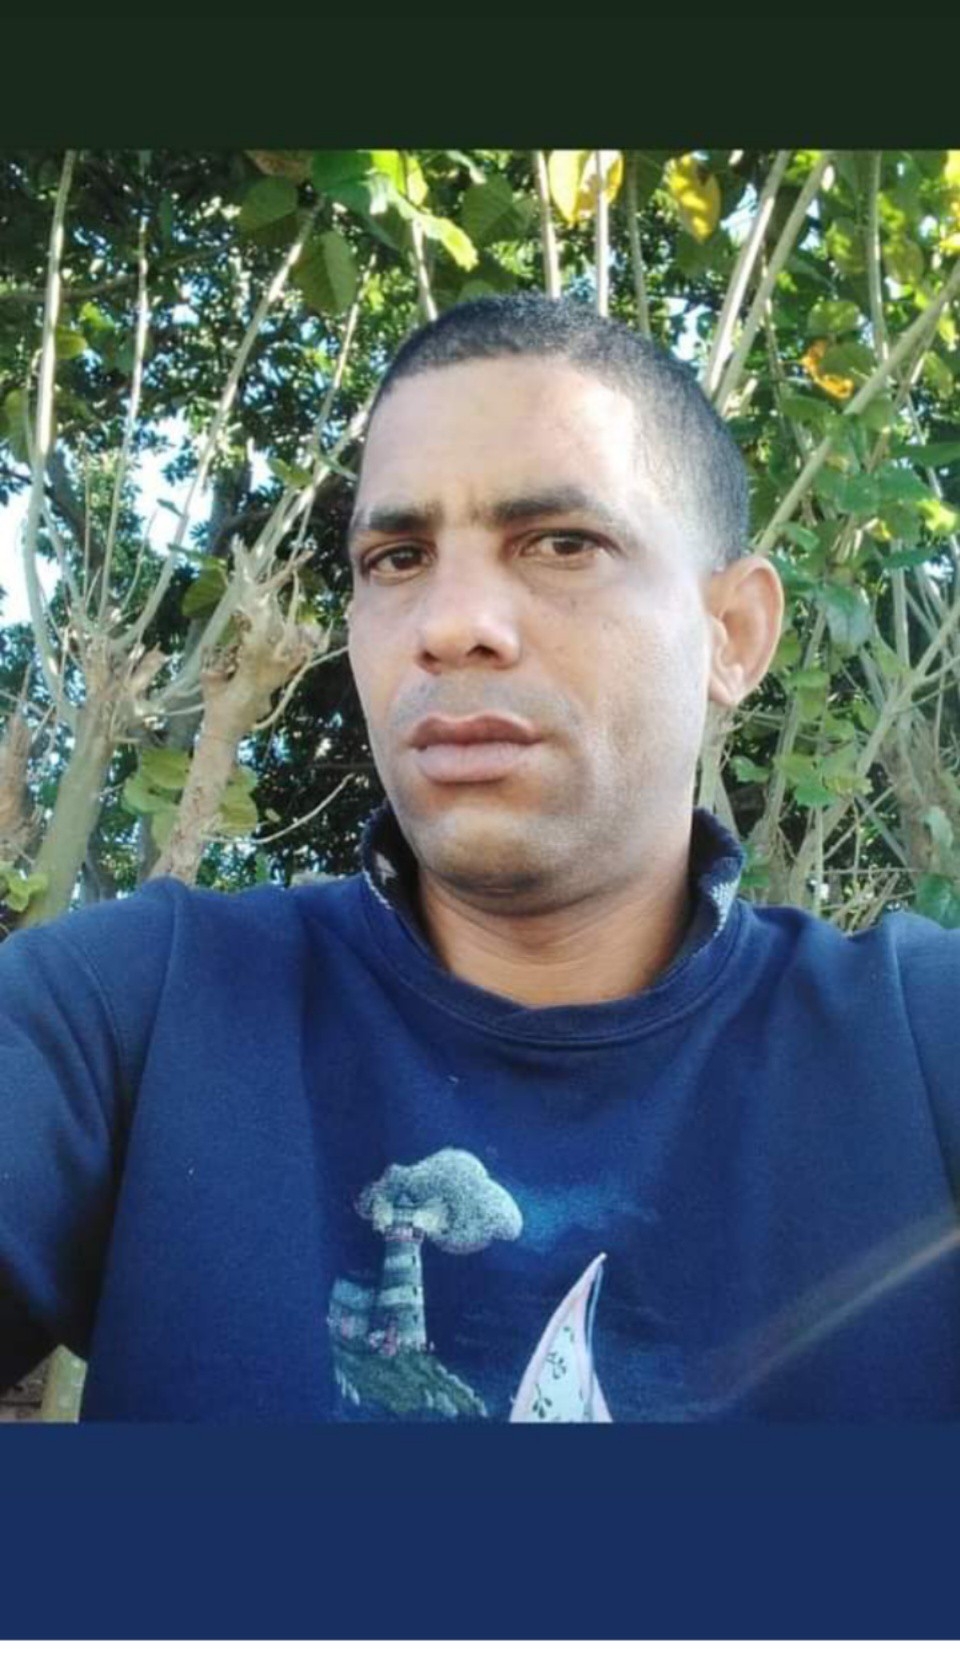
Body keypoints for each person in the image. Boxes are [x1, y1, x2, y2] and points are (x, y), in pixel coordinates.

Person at [1, 294, 957, 1424]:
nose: (450, 623)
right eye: (398, 557)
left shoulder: (920, 1043)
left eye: (562, 543)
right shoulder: (130, 1017)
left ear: (733, 634)